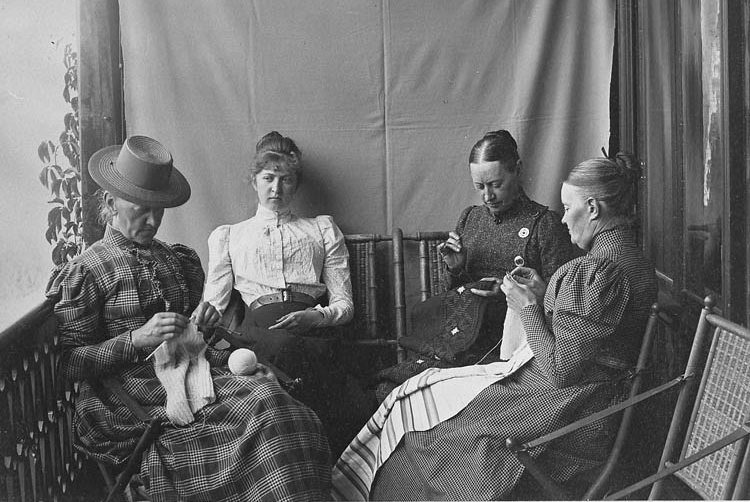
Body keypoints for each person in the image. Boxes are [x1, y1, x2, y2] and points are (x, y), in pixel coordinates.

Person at [332, 151, 657, 501]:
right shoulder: (631, 261)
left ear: (592, 208)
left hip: (573, 410)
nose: (564, 219)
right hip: (587, 397)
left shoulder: (599, 269)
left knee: (432, 438)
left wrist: (528, 308)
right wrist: (543, 294)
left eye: (568, 208)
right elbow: (591, 331)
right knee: (428, 408)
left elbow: (563, 369)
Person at [46, 135, 331, 502]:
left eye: (159, 210)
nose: (152, 221)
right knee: (264, 410)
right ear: (111, 202)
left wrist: (206, 330)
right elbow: (69, 364)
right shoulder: (87, 270)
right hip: (129, 398)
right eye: (141, 209)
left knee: (286, 406)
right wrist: (136, 339)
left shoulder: (174, 259)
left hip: (194, 374)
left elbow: (192, 342)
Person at [373, 130, 576, 400]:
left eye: (495, 184)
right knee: (390, 389)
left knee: (418, 394)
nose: (487, 196)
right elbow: (452, 295)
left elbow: (562, 302)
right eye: (479, 187)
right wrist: (456, 269)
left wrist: (508, 294)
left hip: (508, 345)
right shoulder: (471, 218)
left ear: (518, 170)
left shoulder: (545, 224)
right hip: (462, 336)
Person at [203, 131, 369, 458]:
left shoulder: (321, 230)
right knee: (286, 351)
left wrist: (316, 316)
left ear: (297, 184)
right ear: (253, 180)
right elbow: (214, 305)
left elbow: (345, 305)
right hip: (259, 336)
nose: (276, 189)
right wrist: (200, 324)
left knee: (345, 390)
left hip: (313, 332)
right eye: (268, 178)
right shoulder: (230, 236)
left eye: (286, 180)